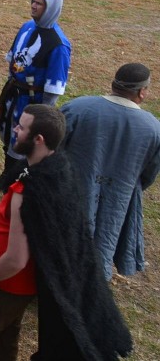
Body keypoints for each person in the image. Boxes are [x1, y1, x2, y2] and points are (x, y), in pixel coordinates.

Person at [0, 105, 132, 361]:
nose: (15, 130)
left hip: (4, 285)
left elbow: (16, 259)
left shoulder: (27, 192)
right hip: (21, 288)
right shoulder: (58, 169)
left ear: (38, 139)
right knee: (6, 339)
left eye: (22, 127)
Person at [61, 63, 160, 279]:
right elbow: (148, 174)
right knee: (103, 243)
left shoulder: (77, 108)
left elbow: (55, 149)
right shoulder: (153, 128)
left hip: (72, 190)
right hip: (118, 198)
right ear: (142, 92)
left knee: (65, 238)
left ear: (114, 83)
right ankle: (90, 291)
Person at [0, 0, 71, 191]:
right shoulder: (26, 28)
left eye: (39, 4)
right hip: (14, 93)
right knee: (8, 133)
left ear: (51, 8)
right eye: (33, 1)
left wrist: (39, 115)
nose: (33, 6)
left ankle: (18, 182)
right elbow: (14, 60)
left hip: (32, 101)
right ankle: (7, 176)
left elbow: (53, 89)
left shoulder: (58, 45)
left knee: (24, 139)